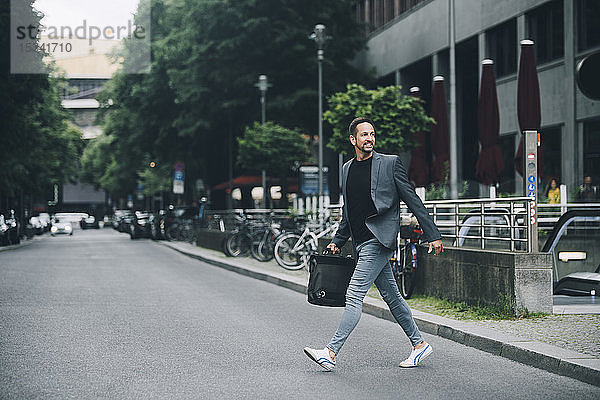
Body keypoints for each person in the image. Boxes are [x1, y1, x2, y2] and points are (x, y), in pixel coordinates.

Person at [303, 117, 444, 371]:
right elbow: (350, 211)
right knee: (392, 296)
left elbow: (412, 199)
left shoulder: (389, 163)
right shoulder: (347, 168)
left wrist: (432, 234)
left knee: (354, 294)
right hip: (360, 242)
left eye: (372, 134)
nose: (369, 138)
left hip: (378, 240)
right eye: (364, 134)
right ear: (353, 140)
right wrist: (338, 241)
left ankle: (330, 353)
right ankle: (419, 344)